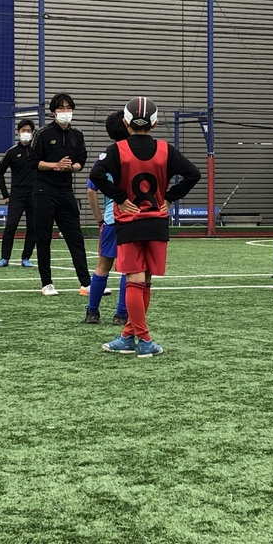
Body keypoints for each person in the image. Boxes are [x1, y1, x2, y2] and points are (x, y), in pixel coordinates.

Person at [91, 96, 201, 358]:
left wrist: (120, 198)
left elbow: (96, 175)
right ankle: (128, 336)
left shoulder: (117, 150)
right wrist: (169, 198)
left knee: (134, 279)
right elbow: (194, 174)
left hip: (130, 223)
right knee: (145, 282)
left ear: (125, 121)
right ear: (155, 123)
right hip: (156, 222)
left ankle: (143, 339)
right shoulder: (166, 149)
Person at [29, 93, 91, 296]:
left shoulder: (77, 135)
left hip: (65, 191)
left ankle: (86, 283)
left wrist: (70, 167)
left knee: (75, 237)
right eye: (61, 108)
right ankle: (46, 283)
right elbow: (33, 162)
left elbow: (81, 161)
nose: (65, 112)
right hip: (43, 191)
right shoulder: (43, 133)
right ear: (53, 112)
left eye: (68, 108)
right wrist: (54, 165)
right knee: (44, 238)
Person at [84, 111, 130, 324]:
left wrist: (99, 219)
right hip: (131, 218)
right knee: (128, 268)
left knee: (103, 265)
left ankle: (92, 312)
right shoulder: (136, 155)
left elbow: (91, 191)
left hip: (111, 219)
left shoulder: (103, 158)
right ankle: (121, 314)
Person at [0, 119, 37, 268]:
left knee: (33, 227)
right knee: (11, 226)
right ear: (18, 133)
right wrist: (5, 195)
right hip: (17, 196)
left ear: (33, 133)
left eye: (29, 131)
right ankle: (4, 258)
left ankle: (26, 258)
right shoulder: (11, 152)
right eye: (23, 130)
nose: (26, 133)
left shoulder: (37, 151)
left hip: (35, 196)